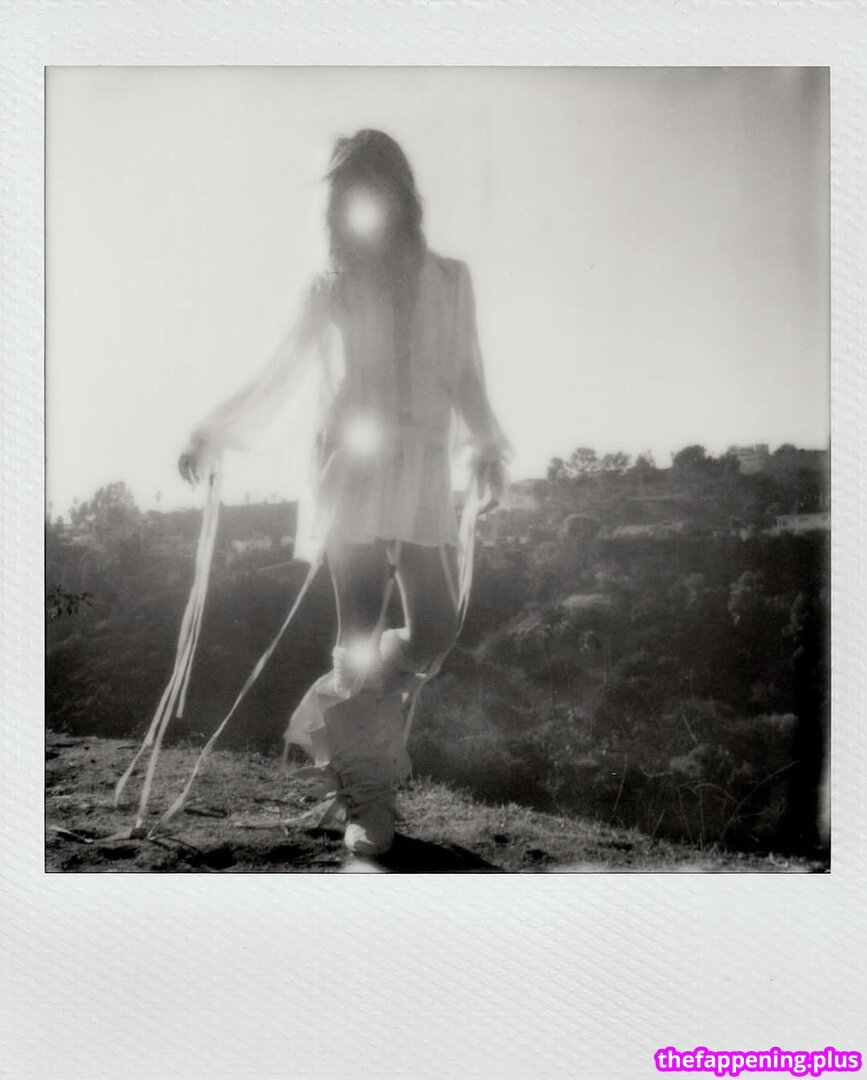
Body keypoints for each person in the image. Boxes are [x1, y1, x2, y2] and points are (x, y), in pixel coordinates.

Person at [177, 129, 511, 857]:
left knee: (436, 627)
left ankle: (358, 691)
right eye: (350, 193)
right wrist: (213, 431)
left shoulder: (449, 278)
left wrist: (486, 445)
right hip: (349, 466)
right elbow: (279, 370)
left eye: (376, 188)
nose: (365, 204)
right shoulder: (330, 288)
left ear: (401, 194)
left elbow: (465, 374)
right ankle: (367, 795)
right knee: (357, 627)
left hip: (421, 466)